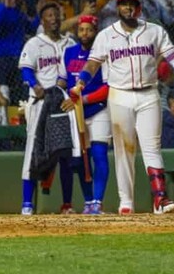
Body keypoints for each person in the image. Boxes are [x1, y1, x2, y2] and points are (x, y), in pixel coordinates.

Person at [71, 0, 174, 215]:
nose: (127, 7)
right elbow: (93, 63)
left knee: (152, 147)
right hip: (119, 95)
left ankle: (160, 198)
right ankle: (126, 202)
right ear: (118, 7)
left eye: (131, 2)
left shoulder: (154, 31)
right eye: (123, 3)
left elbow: (173, 56)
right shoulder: (105, 34)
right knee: (124, 150)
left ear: (138, 6)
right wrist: (81, 82)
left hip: (149, 93)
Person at [17, 2, 72, 215]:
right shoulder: (34, 43)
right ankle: (27, 204)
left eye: (56, 15)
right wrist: (34, 85)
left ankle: (67, 204)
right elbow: (26, 70)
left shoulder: (70, 43)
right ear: (43, 21)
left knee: (66, 152)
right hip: (40, 103)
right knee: (34, 151)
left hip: (64, 103)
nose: (54, 18)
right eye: (49, 15)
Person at [58, 15, 111, 215]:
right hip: (75, 112)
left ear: (95, 31)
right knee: (80, 160)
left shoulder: (102, 53)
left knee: (98, 154)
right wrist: (55, 94)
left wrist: (83, 99)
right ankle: (88, 201)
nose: (84, 34)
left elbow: (108, 87)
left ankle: (98, 201)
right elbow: (62, 80)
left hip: (98, 108)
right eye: (81, 30)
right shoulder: (68, 52)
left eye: (89, 30)